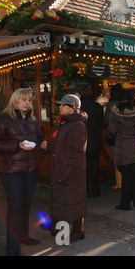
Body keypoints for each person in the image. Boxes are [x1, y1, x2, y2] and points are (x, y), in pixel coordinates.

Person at [0, 88, 47, 256]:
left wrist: (41, 147)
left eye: (29, 100)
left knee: (26, 203)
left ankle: (23, 236)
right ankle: (12, 249)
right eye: (23, 99)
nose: (27, 102)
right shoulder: (2, 119)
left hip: (30, 169)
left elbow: (39, 139)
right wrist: (16, 146)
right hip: (11, 170)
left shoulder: (32, 120)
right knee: (15, 206)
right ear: (15, 101)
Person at [50, 94, 87, 243]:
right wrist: (50, 148)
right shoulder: (68, 123)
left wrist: (62, 173)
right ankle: (59, 229)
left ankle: (77, 231)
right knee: (64, 201)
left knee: (72, 202)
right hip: (65, 171)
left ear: (73, 108)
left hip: (70, 173)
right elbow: (65, 148)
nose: (59, 106)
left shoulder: (77, 126)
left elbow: (75, 153)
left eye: (63, 104)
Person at [108, 90, 135, 210]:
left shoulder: (115, 113)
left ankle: (125, 203)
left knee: (126, 178)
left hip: (123, 147)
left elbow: (112, 130)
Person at [79, 86, 104, 197]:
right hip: (95, 141)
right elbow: (102, 123)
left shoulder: (78, 108)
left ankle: (85, 190)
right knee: (95, 167)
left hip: (82, 142)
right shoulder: (98, 107)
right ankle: (96, 189)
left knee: (83, 169)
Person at [104, 83, 123, 190]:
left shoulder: (110, 105)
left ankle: (119, 182)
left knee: (117, 159)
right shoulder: (126, 103)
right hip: (125, 136)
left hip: (113, 136)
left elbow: (106, 120)